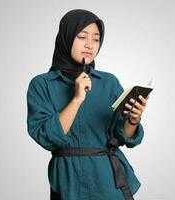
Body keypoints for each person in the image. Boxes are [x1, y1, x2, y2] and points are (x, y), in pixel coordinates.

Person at [26, 9, 149, 200]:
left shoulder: (108, 82)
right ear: (66, 38)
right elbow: (46, 138)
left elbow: (123, 136)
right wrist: (76, 99)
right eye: (82, 36)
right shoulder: (42, 84)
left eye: (96, 39)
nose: (90, 45)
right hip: (68, 181)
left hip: (109, 182)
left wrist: (133, 120)